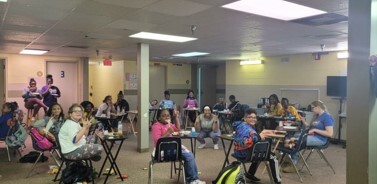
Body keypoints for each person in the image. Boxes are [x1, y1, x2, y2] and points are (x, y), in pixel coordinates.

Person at [151, 109, 205, 184]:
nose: (166, 117)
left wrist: (176, 117)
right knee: (188, 155)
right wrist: (167, 133)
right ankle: (192, 180)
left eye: (168, 115)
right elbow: (157, 142)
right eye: (163, 116)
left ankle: (193, 179)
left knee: (189, 155)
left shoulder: (169, 124)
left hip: (173, 150)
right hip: (162, 151)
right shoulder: (156, 126)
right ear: (159, 118)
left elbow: (178, 128)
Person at [282, 100, 334, 173]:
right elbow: (309, 127)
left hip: (320, 139)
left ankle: (293, 162)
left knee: (296, 142)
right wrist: (304, 121)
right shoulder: (317, 116)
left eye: (312, 108)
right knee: (292, 138)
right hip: (312, 136)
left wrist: (315, 130)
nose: (312, 110)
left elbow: (330, 133)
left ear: (318, 107)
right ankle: (292, 158)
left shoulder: (327, 117)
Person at [233, 108, 281, 184]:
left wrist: (260, 134)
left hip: (238, 152)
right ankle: (277, 181)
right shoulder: (247, 128)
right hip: (245, 154)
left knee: (260, 152)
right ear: (245, 119)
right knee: (273, 157)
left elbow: (250, 136)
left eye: (254, 117)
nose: (253, 119)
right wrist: (259, 137)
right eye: (250, 117)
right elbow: (245, 142)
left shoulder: (241, 126)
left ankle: (250, 174)